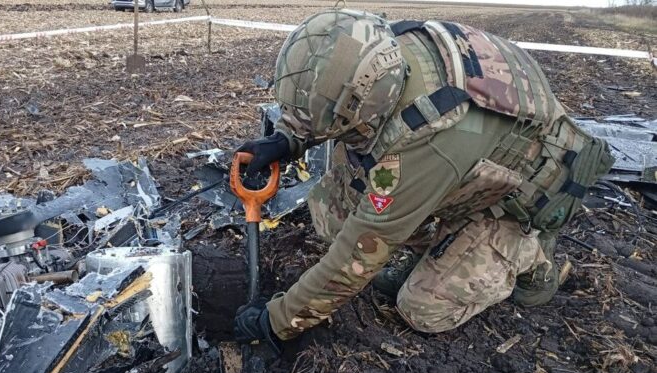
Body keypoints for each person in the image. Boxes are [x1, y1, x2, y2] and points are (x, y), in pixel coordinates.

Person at [233, 9, 614, 351]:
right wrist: (286, 138)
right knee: (328, 212)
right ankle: (438, 245)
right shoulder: (379, 52)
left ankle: (530, 252)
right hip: (465, 171)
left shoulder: (430, 137)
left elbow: (362, 249)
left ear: (367, 104)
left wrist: (278, 321)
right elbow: (326, 88)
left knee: (422, 308)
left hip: (507, 199)